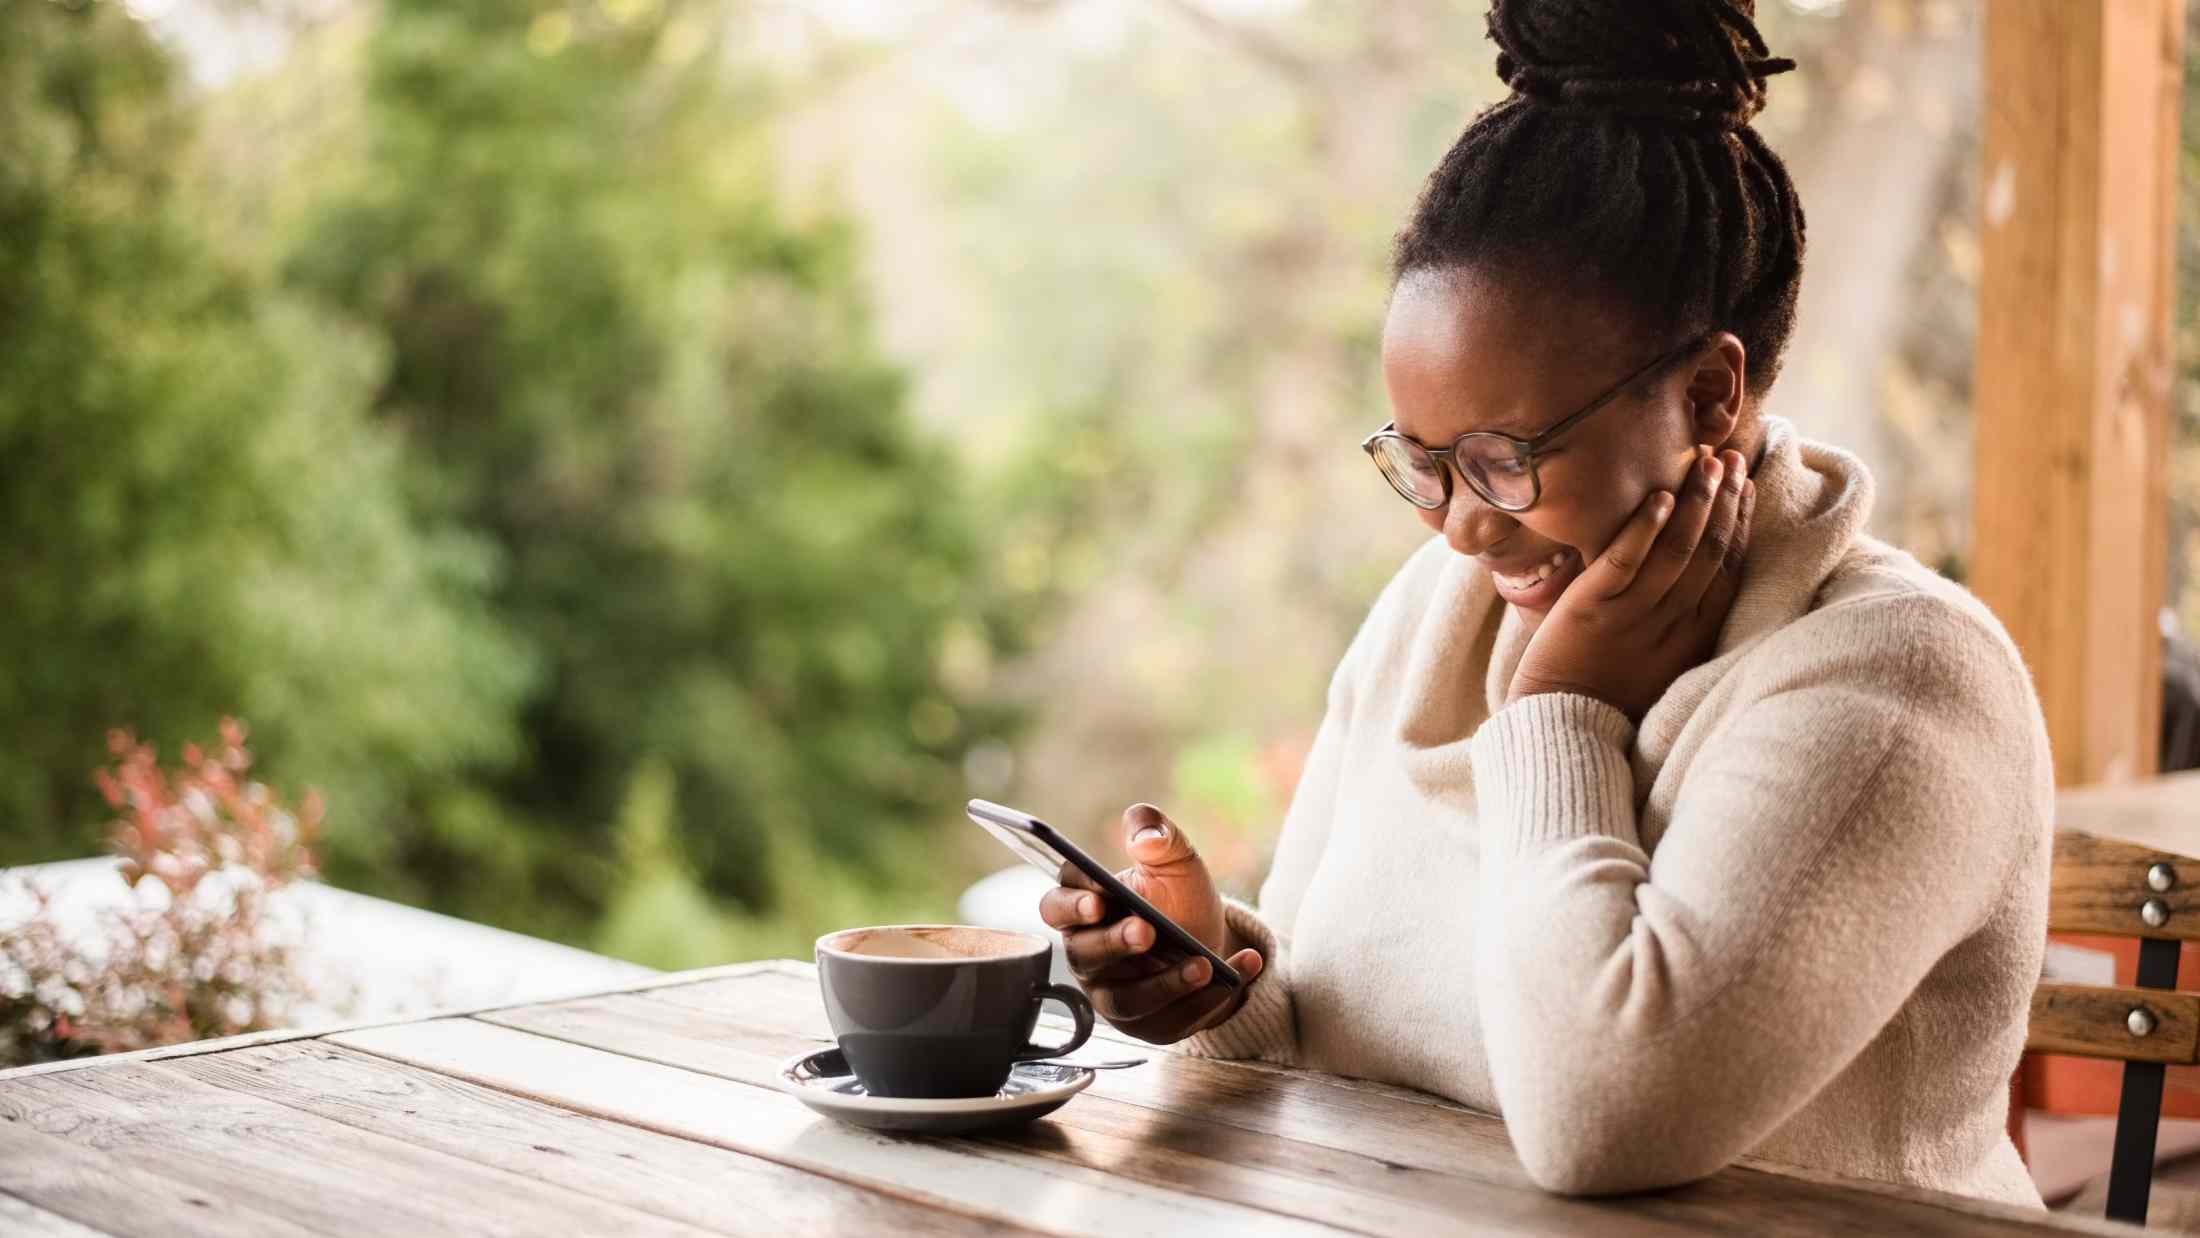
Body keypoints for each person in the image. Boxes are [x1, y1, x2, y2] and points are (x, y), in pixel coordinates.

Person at [1036, 0, 2052, 1208]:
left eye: (1505, 457)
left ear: (1711, 395)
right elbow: (1361, 1022)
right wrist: (1226, 989)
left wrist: (1563, 710)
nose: (1462, 524)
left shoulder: (1900, 681)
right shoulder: (1445, 605)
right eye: (1418, 460)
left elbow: (1601, 1123)